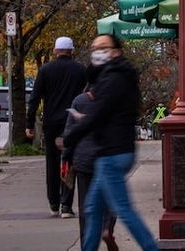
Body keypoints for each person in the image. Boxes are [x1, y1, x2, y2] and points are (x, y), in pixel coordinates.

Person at [62, 34, 159, 251]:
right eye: (94, 47)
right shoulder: (118, 75)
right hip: (114, 151)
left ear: (116, 50)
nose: (97, 52)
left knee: (123, 209)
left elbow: (97, 113)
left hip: (112, 154)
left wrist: (70, 137)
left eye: (103, 47)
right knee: (93, 209)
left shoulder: (113, 78)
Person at [27, 35, 87, 218]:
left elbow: (35, 98)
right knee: (69, 162)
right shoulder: (81, 70)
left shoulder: (46, 70)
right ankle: (66, 205)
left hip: (52, 123)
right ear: (72, 51)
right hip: (74, 122)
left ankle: (53, 202)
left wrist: (29, 123)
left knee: (52, 162)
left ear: (55, 51)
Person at [61, 65, 119, 250]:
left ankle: (87, 244)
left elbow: (70, 134)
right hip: (108, 157)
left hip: (84, 159)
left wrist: (66, 158)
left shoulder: (79, 100)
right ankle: (107, 228)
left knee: (86, 204)